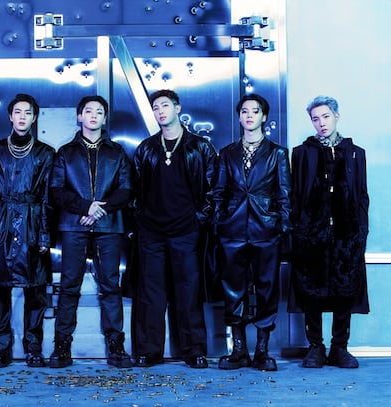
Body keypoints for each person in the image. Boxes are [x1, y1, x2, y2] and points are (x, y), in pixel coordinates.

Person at [132, 89, 216, 369]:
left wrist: (199, 219)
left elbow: (213, 189)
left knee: (188, 291)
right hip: (151, 232)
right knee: (151, 292)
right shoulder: (146, 148)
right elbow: (133, 189)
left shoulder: (200, 147)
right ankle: (148, 351)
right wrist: (141, 220)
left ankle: (194, 351)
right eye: (156, 107)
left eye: (165, 106)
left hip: (186, 230)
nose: (160, 111)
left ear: (178, 108)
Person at [48, 95, 133, 369]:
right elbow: (57, 190)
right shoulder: (65, 153)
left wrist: (98, 210)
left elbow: (126, 189)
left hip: (109, 226)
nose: (93, 115)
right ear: (79, 116)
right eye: (88, 111)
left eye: (99, 111)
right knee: (69, 286)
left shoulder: (117, 152)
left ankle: (116, 346)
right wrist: (85, 207)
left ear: (104, 118)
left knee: (110, 286)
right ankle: (62, 347)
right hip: (74, 225)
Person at [289, 96, 369, 369]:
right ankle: (315, 347)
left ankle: (340, 347)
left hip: (347, 234)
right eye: (315, 119)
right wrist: (299, 229)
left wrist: (360, 231)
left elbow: (362, 194)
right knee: (311, 290)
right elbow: (295, 195)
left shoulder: (355, 153)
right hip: (311, 233)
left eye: (325, 116)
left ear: (336, 116)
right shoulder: (302, 153)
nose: (321, 123)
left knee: (345, 289)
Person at [213, 93, 291, 371]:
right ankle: (239, 351)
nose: (249, 116)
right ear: (239, 117)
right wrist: (220, 222)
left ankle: (262, 351)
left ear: (264, 117)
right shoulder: (227, 153)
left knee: (267, 289)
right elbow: (219, 192)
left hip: (266, 229)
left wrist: (281, 225)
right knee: (232, 289)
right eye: (244, 111)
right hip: (232, 230)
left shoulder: (278, 153)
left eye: (255, 111)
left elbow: (285, 193)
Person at [0, 94, 55, 368]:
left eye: (28, 113)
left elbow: (48, 196)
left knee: (36, 291)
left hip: (32, 224)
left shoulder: (46, 153)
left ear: (34, 118)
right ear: (10, 116)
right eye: (18, 112)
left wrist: (44, 234)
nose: (22, 117)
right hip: (1, 224)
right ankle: (1, 349)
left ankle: (33, 348)